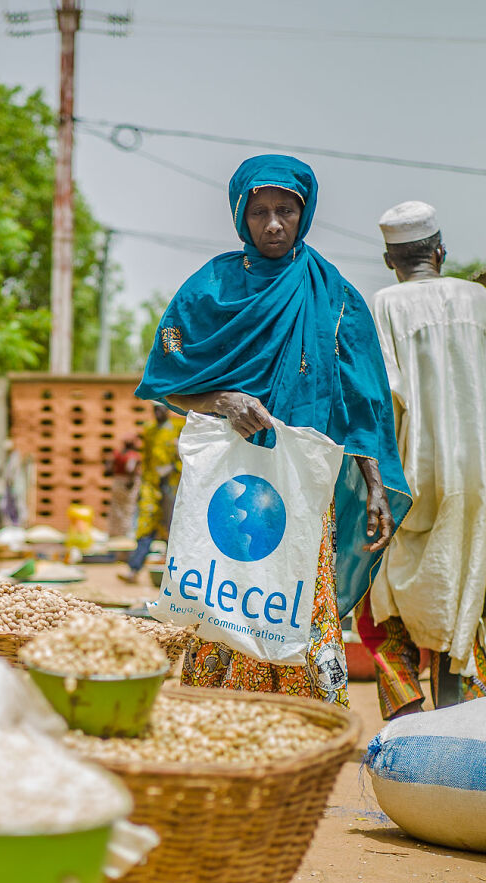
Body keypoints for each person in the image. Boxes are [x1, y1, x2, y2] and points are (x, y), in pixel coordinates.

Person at [135, 154, 411, 706]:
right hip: (229, 486)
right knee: (224, 599)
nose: (274, 224)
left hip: (307, 489)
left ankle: (306, 734)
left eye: (286, 210)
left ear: (304, 214)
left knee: (298, 602)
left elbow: (362, 405)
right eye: (259, 211)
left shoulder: (334, 296)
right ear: (241, 215)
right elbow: (169, 379)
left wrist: (376, 485)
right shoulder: (210, 290)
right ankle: (221, 726)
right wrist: (222, 400)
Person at [355, 200, 486, 718]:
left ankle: (406, 740)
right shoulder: (478, 300)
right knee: (467, 603)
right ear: (441, 250)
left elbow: (379, 402)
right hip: (478, 481)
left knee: (386, 614)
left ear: (390, 260)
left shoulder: (381, 306)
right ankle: (463, 739)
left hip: (407, 478)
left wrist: (371, 485)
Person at [118, 404, 183, 582]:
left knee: (173, 529)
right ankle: (133, 569)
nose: (158, 413)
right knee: (146, 524)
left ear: (168, 410)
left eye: (161, 409)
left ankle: (175, 574)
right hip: (152, 485)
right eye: (155, 409)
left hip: (172, 484)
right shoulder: (149, 430)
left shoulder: (177, 428)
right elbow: (144, 457)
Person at [104, 432, 140, 537]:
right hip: (127, 484)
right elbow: (130, 468)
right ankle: (125, 534)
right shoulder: (132, 455)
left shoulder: (117, 454)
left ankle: (114, 533)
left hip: (117, 482)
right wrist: (131, 480)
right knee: (128, 509)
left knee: (116, 508)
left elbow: (108, 468)